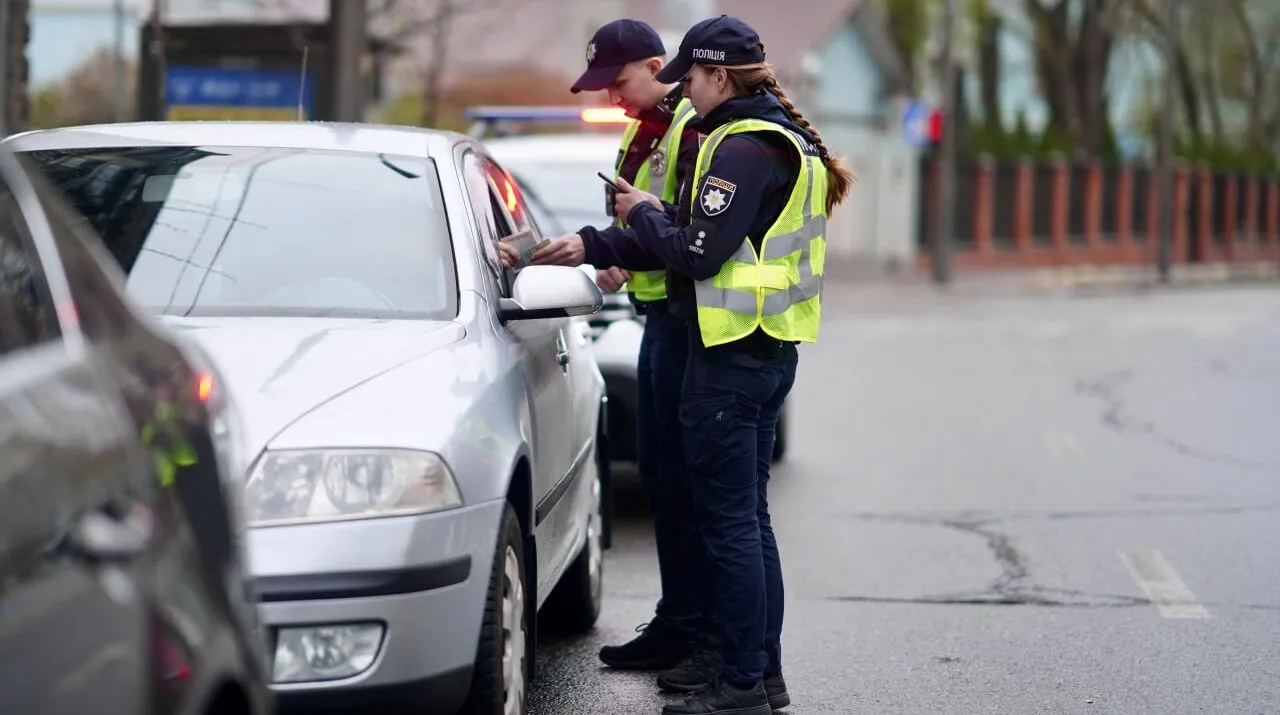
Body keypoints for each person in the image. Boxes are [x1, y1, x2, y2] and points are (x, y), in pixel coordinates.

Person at [605, 15, 855, 715]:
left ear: (719, 76)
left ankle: (743, 680)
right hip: (766, 350)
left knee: (731, 524)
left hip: (731, 355)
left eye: (691, 75)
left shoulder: (744, 147)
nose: (684, 86)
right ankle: (759, 673)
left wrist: (645, 214)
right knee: (747, 519)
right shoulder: (780, 138)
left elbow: (696, 253)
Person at [562, 18, 713, 675]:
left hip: (694, 322)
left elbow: (679, 225)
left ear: (658, 65)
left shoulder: (692, 126)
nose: (612, 97)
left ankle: (701, 632)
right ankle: (678, 621)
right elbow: (637, 219)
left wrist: (609, 245)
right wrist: (611, 252)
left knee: (688, 483)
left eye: (618, 81)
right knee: (659, 475)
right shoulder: (643, 129)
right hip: (656, 314)